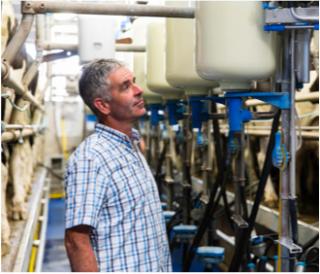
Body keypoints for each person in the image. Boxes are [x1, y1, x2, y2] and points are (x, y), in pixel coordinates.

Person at [64, 59, 172, 272]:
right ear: (103, 105)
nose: (139, 90)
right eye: (126, 86)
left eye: (134, 82)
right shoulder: (92, 158)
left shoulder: (130, 145)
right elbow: (76, 241)